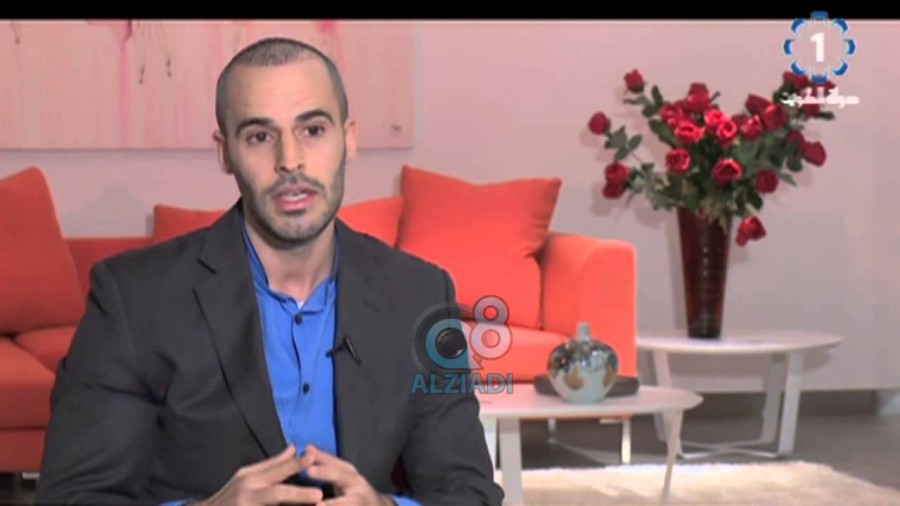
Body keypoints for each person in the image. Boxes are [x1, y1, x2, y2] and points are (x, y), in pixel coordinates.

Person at [35, 36, 504, 506]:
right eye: (260, 136)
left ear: (349, 138)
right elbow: (73, 497)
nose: (290, 161)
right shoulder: (133, 301)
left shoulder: (419, 294)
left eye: (312, 130)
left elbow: (469, 493)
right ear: (225, 153)